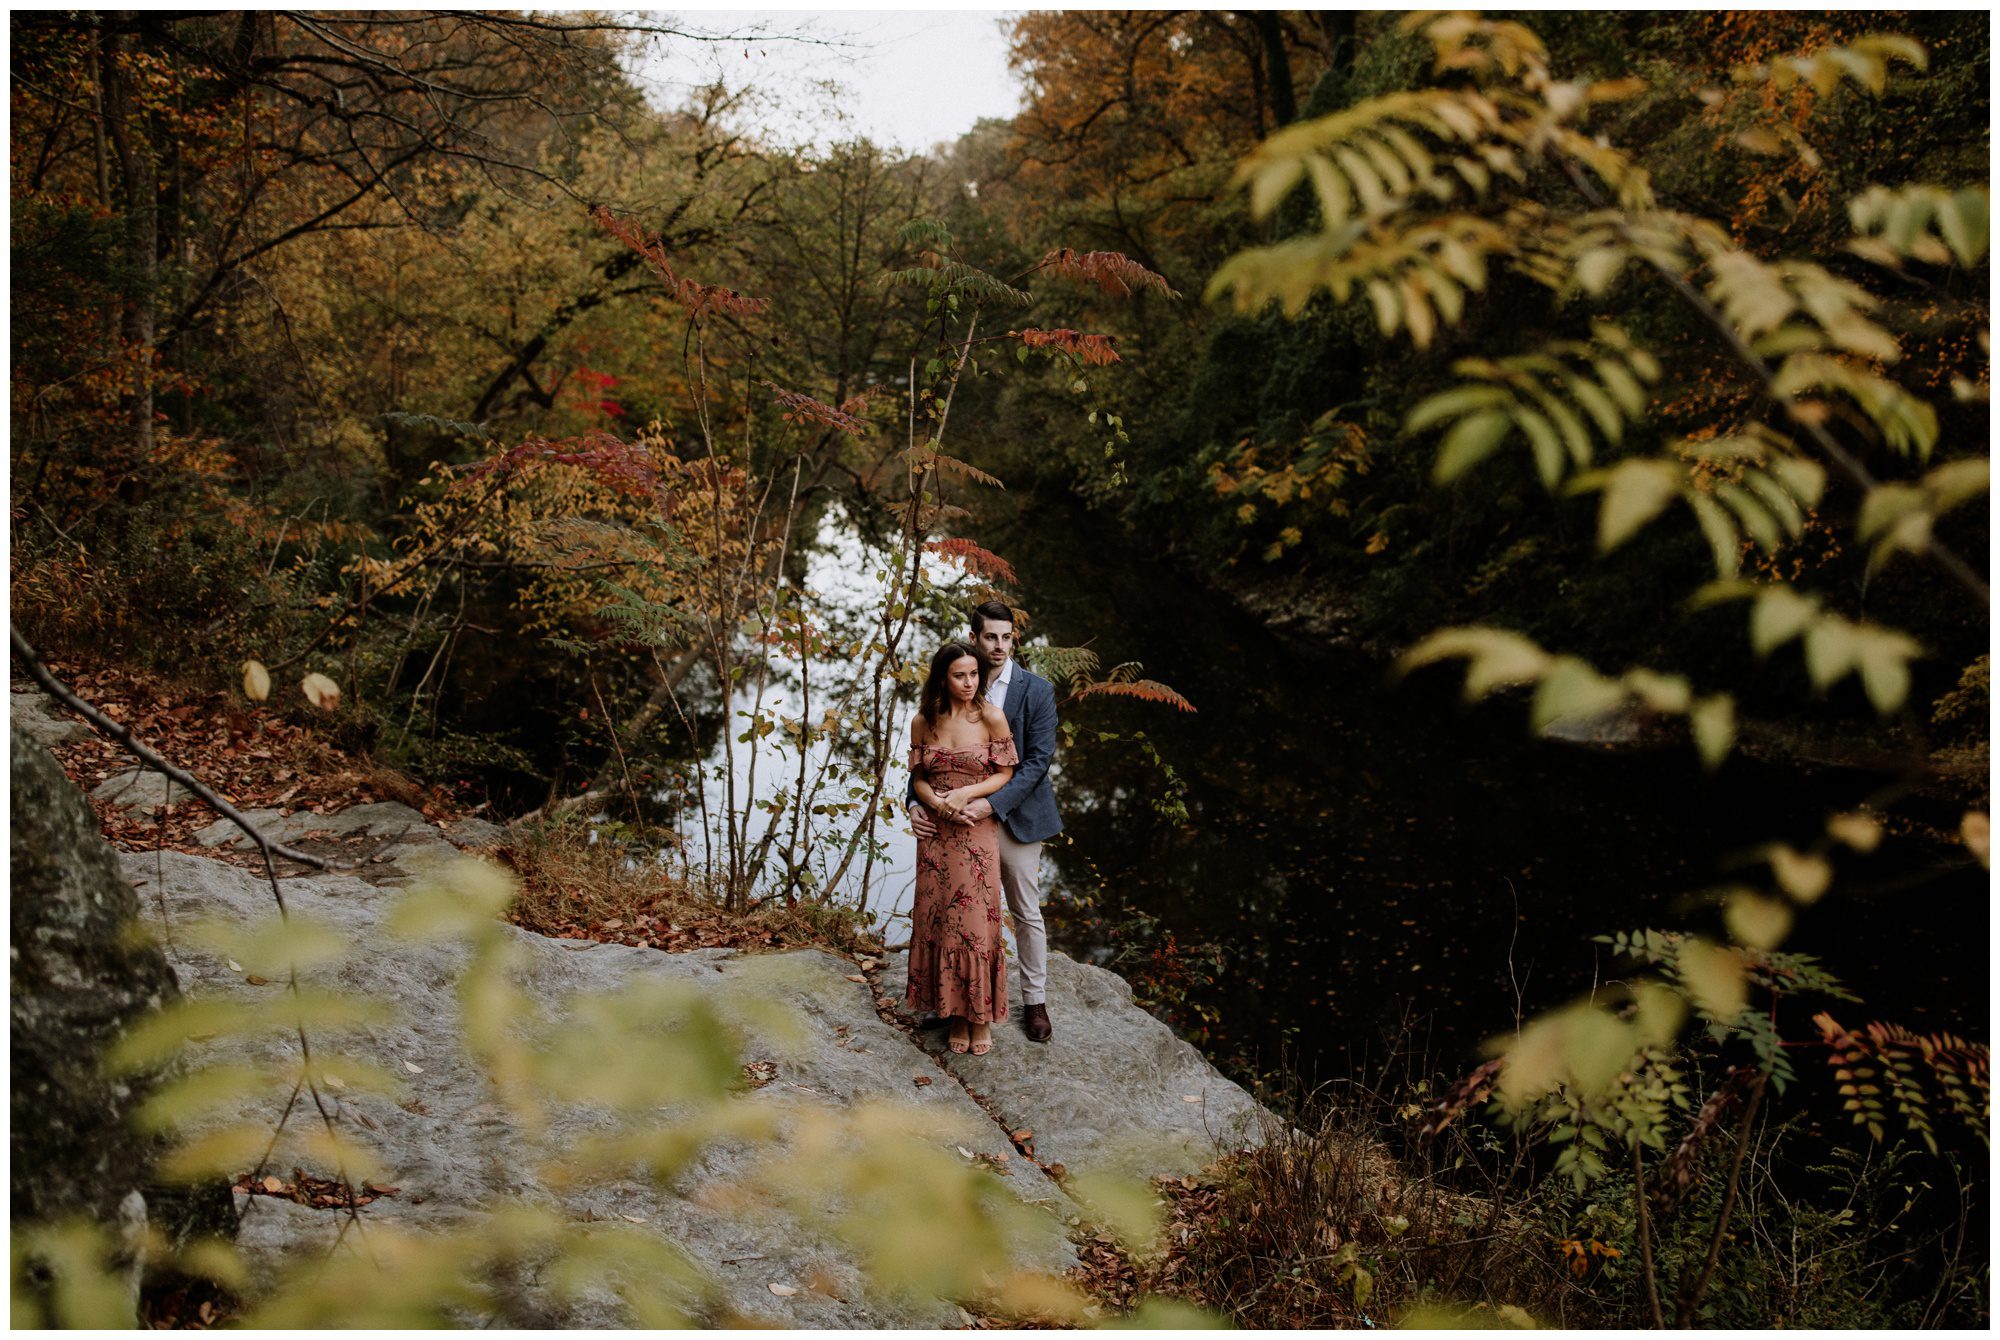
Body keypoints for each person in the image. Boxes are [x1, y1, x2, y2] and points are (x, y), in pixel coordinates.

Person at [909, 601, 1063, 1043]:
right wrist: (915, 803)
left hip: (1014, 817)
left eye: (1006, 637)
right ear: (974, 637)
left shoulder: (1036, 691)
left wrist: (990, 805)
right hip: (951, 820)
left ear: (1014, 638)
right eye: (991, 636)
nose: (999, 645)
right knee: (948, 911)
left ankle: (1034, 1001)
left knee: (1024, 911)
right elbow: (929, 761)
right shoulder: (950, 687)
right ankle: (950, 999)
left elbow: (1037, 762)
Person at [906, 641, 1017, 1055]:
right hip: (936, 833)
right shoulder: (923, 721)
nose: (969, 682)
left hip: (975, 827)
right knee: (940, 919)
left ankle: (980, 1017)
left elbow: (1005, 774)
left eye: (974, 674)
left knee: (973, 922)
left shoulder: (990, 716)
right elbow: (918, 779)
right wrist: (934, 804)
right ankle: (954, 1013)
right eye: (960, 675)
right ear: (942, 678)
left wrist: (965, 794)